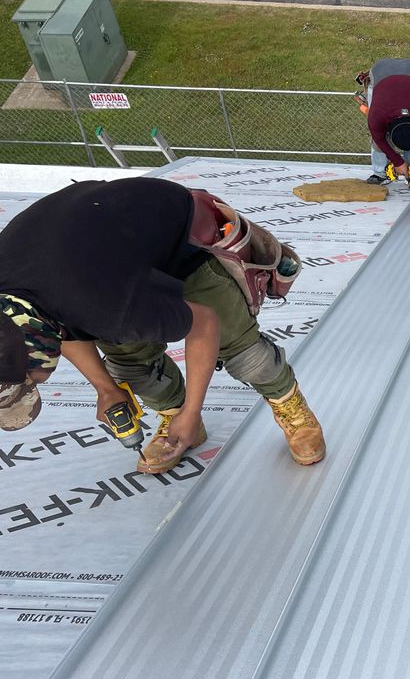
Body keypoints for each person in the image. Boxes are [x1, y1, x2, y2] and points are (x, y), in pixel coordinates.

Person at [0, 178, 325, 474]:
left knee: (243, 352)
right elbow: (56, 326)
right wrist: (106, 388)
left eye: (33, 381)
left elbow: (205, 325)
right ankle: (175, 413)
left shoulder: (107, 307)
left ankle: (290, 407)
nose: (37, 383)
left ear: (37, 349)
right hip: (106, 252)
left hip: (182, 243)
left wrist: (194, 409)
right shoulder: (16, 304)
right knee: (131, 366)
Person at [358, 59, 410, 191]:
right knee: (377, 144)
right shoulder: (378, 114)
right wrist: (398, 162)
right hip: (381, 71)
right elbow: (379, 139)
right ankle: (380, 173)